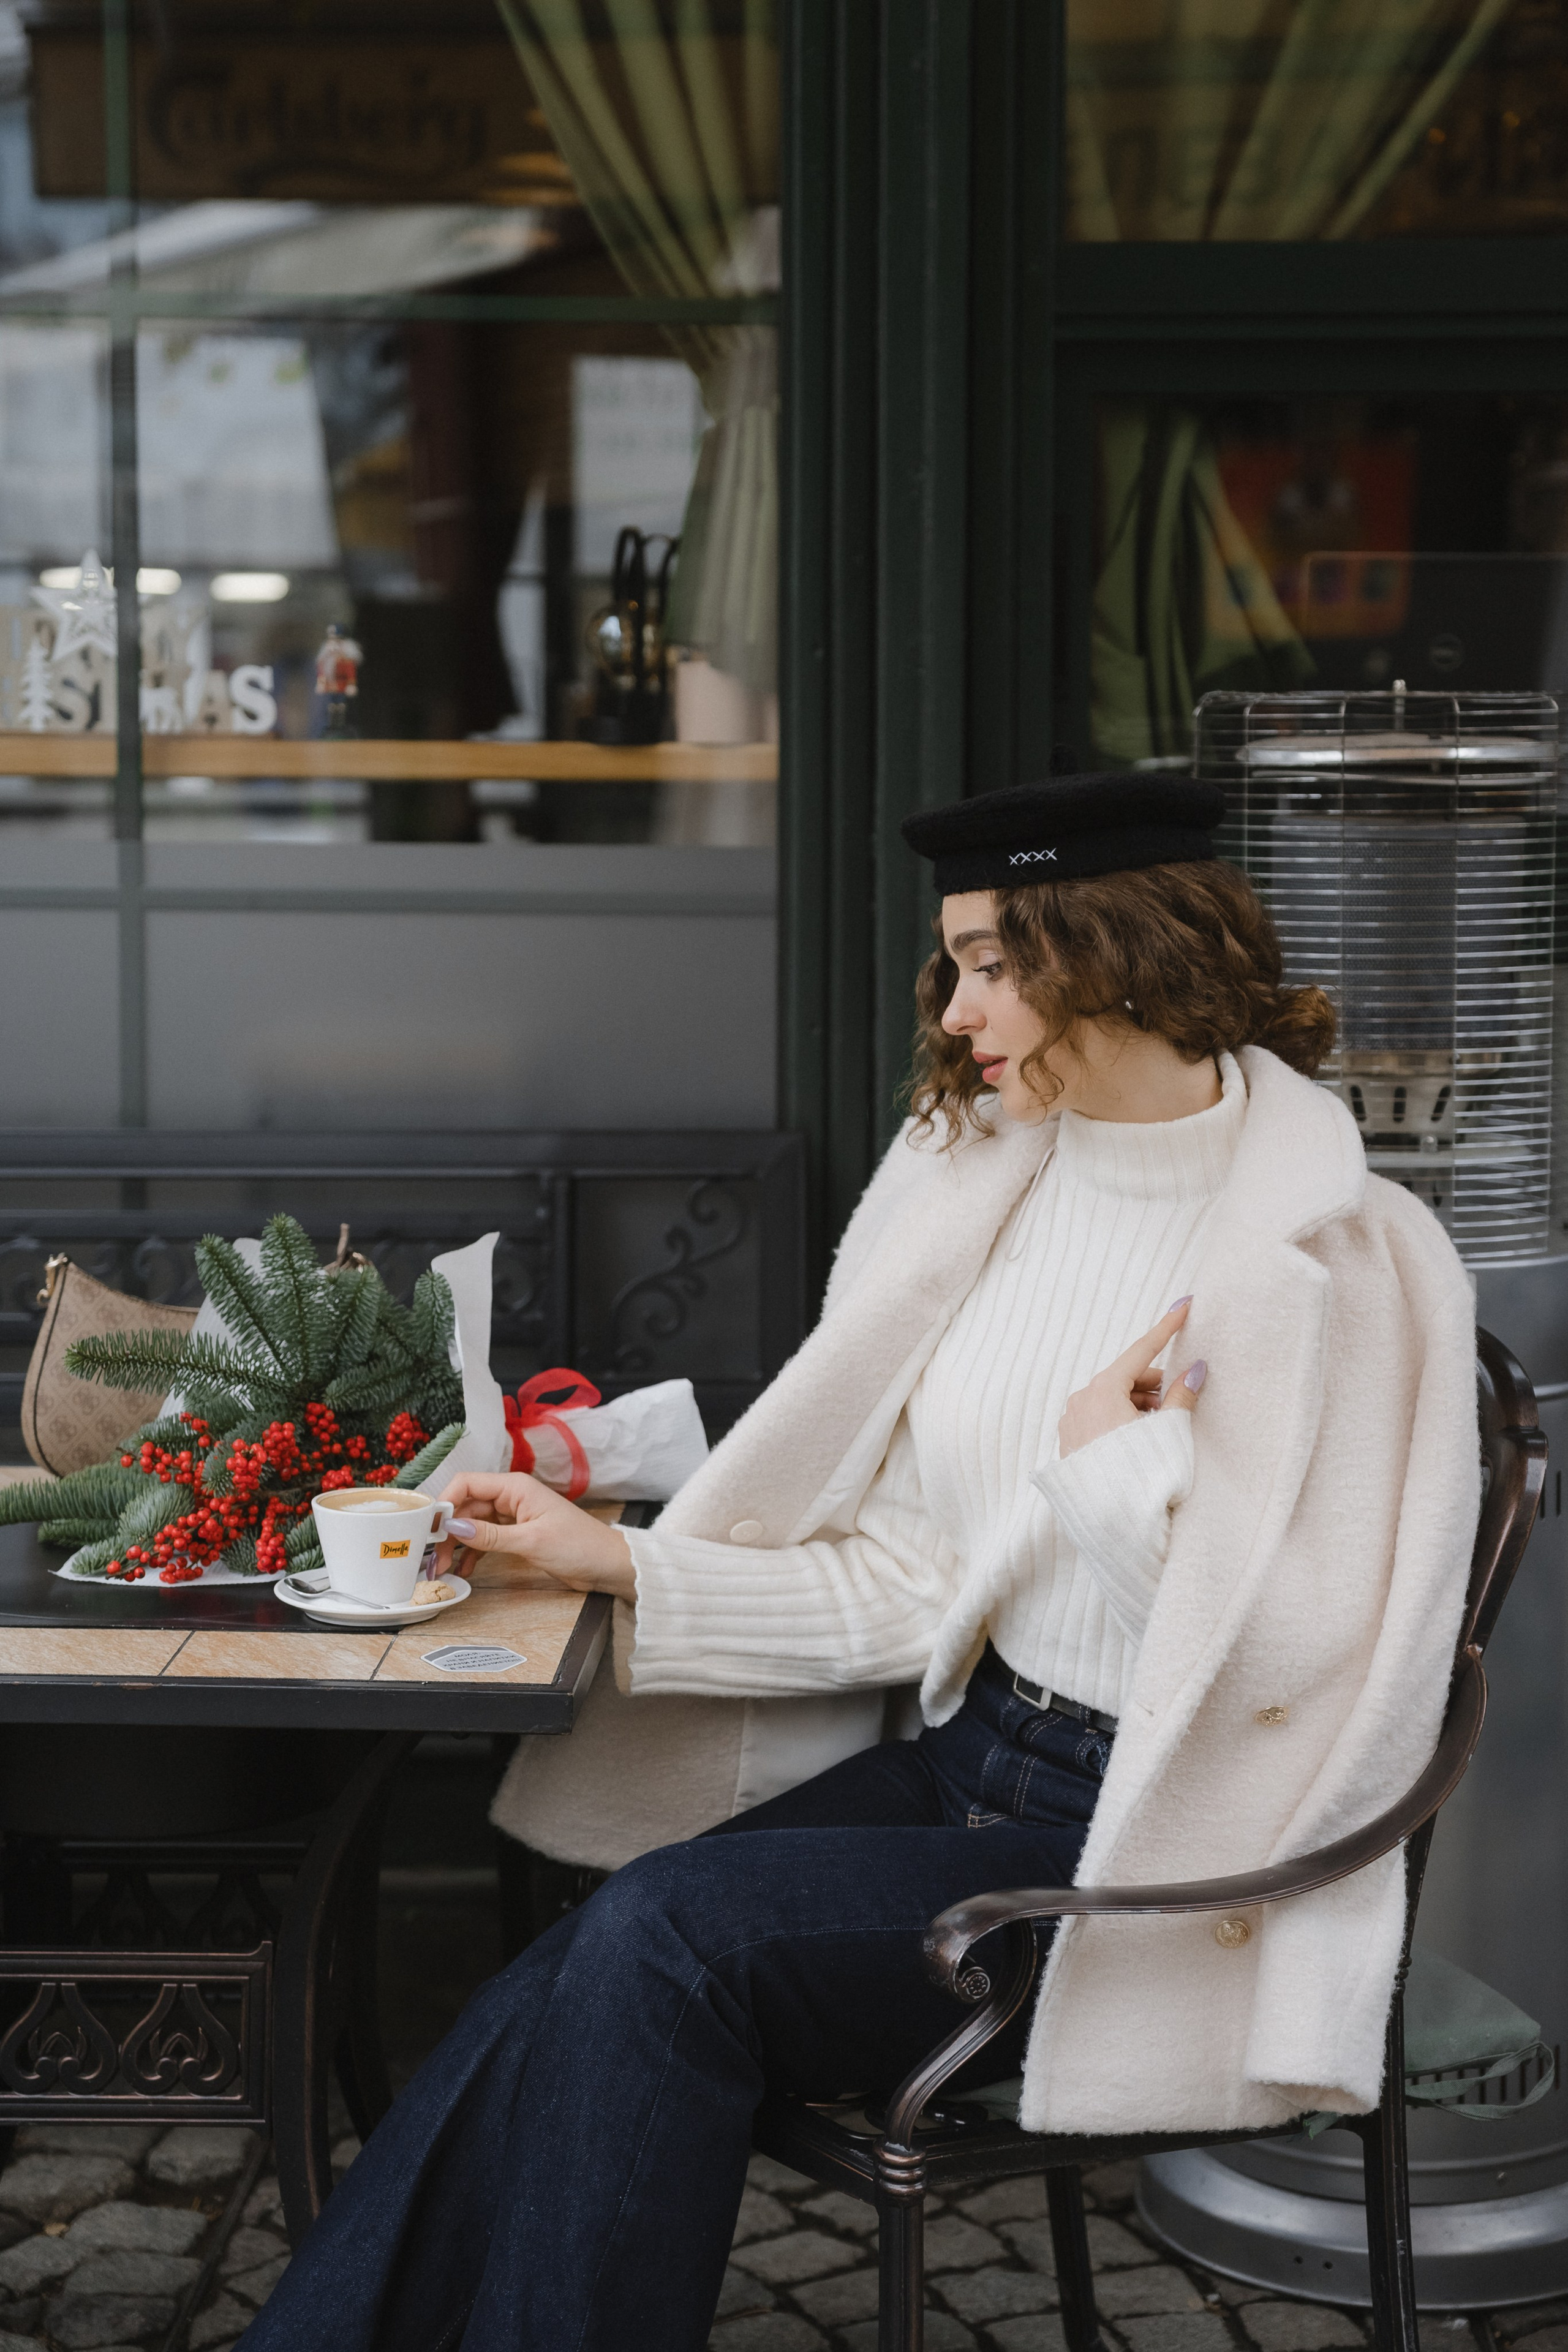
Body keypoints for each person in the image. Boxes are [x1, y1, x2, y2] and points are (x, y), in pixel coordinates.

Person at [243, 772, 1479, 2352]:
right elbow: (914, 1579)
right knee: (580, 1964)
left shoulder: (1353, 1262)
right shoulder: (982, 1186)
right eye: (950, 965)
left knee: (663, 1942)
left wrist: (1113, 1469)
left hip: (1150, 1845)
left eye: (987, 963)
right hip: (975, 1759)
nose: (955, 1009)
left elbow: (1302, 1673)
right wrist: (618, 1568)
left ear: (1111, 953)